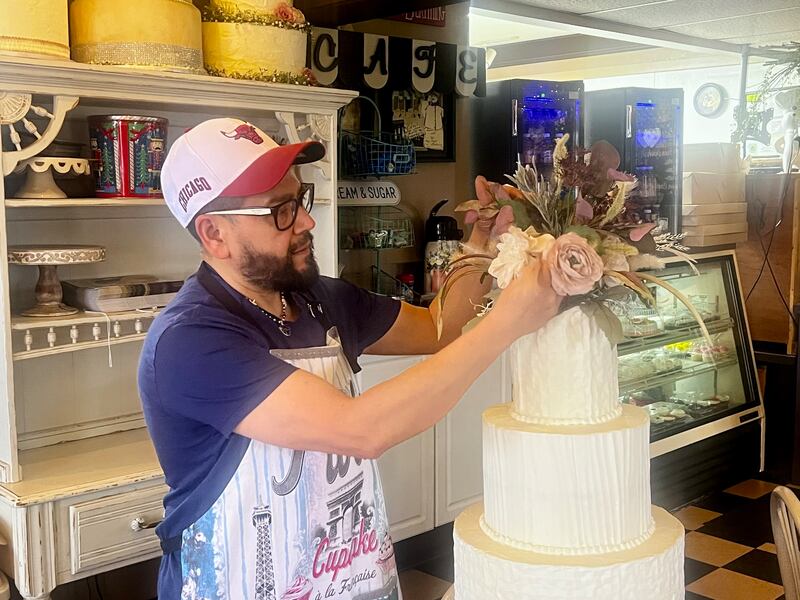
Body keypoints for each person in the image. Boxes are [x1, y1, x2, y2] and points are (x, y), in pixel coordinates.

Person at [138, 117, 561, 600]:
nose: (306, 221)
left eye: (300, 200)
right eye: (281, 210)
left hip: (348, 573)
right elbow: (359, 429)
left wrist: (479, 245)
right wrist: (507, 322)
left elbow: (439, 328)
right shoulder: (191, 340)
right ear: (214, 233)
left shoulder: (322, 298)